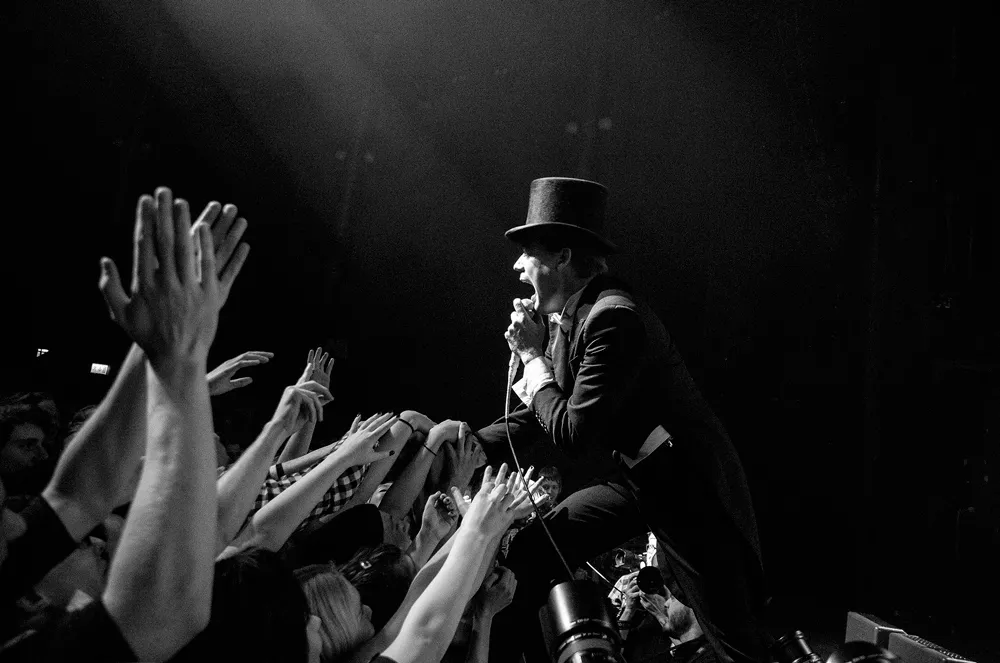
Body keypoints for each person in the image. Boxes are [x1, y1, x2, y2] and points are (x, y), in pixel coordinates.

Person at [478, 177, 767, 663]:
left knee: (733, 640)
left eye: (527, 252)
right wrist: (466, 442)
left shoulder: (614, 318)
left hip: (685, 488)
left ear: (563, 257)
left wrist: (530, 357)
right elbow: (542, 412)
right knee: (532, 552)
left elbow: (571, 432)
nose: (517, 266)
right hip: (639, 479)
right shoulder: (574, 316)